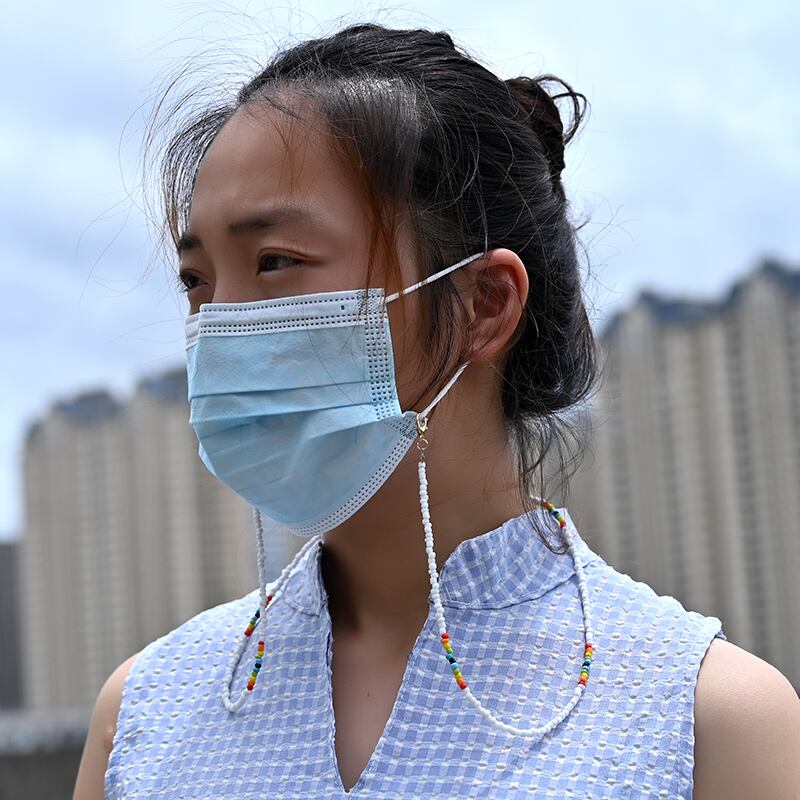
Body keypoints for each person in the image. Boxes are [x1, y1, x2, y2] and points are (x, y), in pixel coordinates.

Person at [74, 22, 800, 799]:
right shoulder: (144, 715)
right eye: (197, 281)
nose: (222, 325)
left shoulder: (705, 722)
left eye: (276, 261)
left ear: (485, 303)